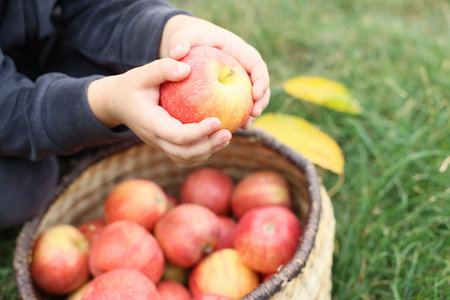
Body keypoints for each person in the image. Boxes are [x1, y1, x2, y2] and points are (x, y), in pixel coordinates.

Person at [0, 0, 270, 229]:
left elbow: (97, 5)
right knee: (23, 189)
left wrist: (172, 30)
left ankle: (63, 129)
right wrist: (105, 103)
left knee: (140, 69)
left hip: (38, 51)